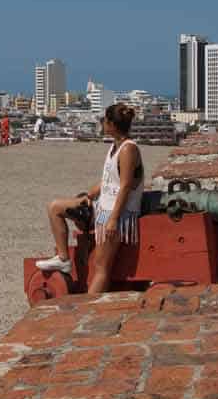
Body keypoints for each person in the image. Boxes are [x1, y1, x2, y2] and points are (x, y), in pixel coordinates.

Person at [34, 103, 143, 296]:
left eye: (104, 121)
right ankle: (63, 258)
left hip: (117, 213)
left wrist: (114, 220)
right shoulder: (115, 147)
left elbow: (125, 186)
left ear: (112, 124)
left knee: (101, 267)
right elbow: (108, 181)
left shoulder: (128, 149)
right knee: (55, 208)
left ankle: (88, 308)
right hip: (103, 207)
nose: (102, 124)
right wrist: (89, 196)